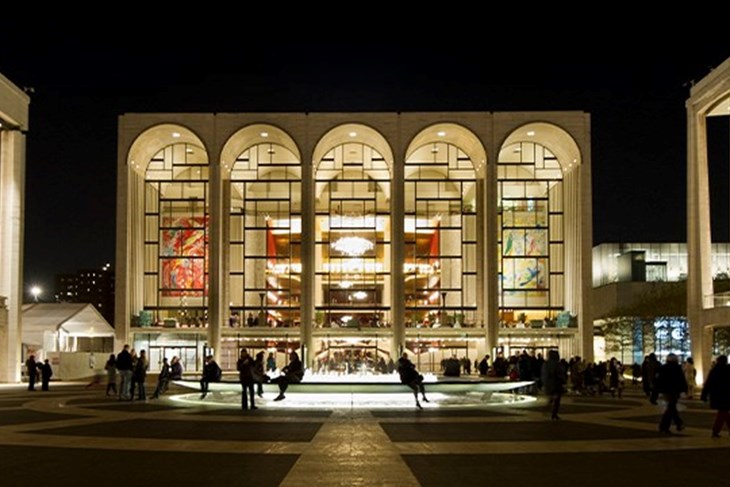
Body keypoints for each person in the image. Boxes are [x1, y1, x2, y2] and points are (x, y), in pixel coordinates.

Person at [652, 353, 688, 433]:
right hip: (675, 391)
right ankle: (671, 425)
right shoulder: (677, 368)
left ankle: (674, 424)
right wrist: (685, 390)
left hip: (666, 391)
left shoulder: (663, 368)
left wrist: (654, 394)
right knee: (671, 408)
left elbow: (658, 381)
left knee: (671, 408)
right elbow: (682, 380)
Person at [701, 355, 730, 437]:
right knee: (723, 412)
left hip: (717, 395)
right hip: (726, 395)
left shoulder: (714, 370)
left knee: (724, 412)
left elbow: (708, 383)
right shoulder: (728, 370)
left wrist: (704, 395)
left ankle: (716, 430)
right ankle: (715, 430)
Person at [541, 349, 566, 420]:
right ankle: (553, 413)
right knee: (557, 399)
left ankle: (551, 410)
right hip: (556, 384)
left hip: (549, 384)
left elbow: (544, 375)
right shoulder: (557, 364)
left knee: (554, 397)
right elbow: (559, 374)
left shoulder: (546, 364)